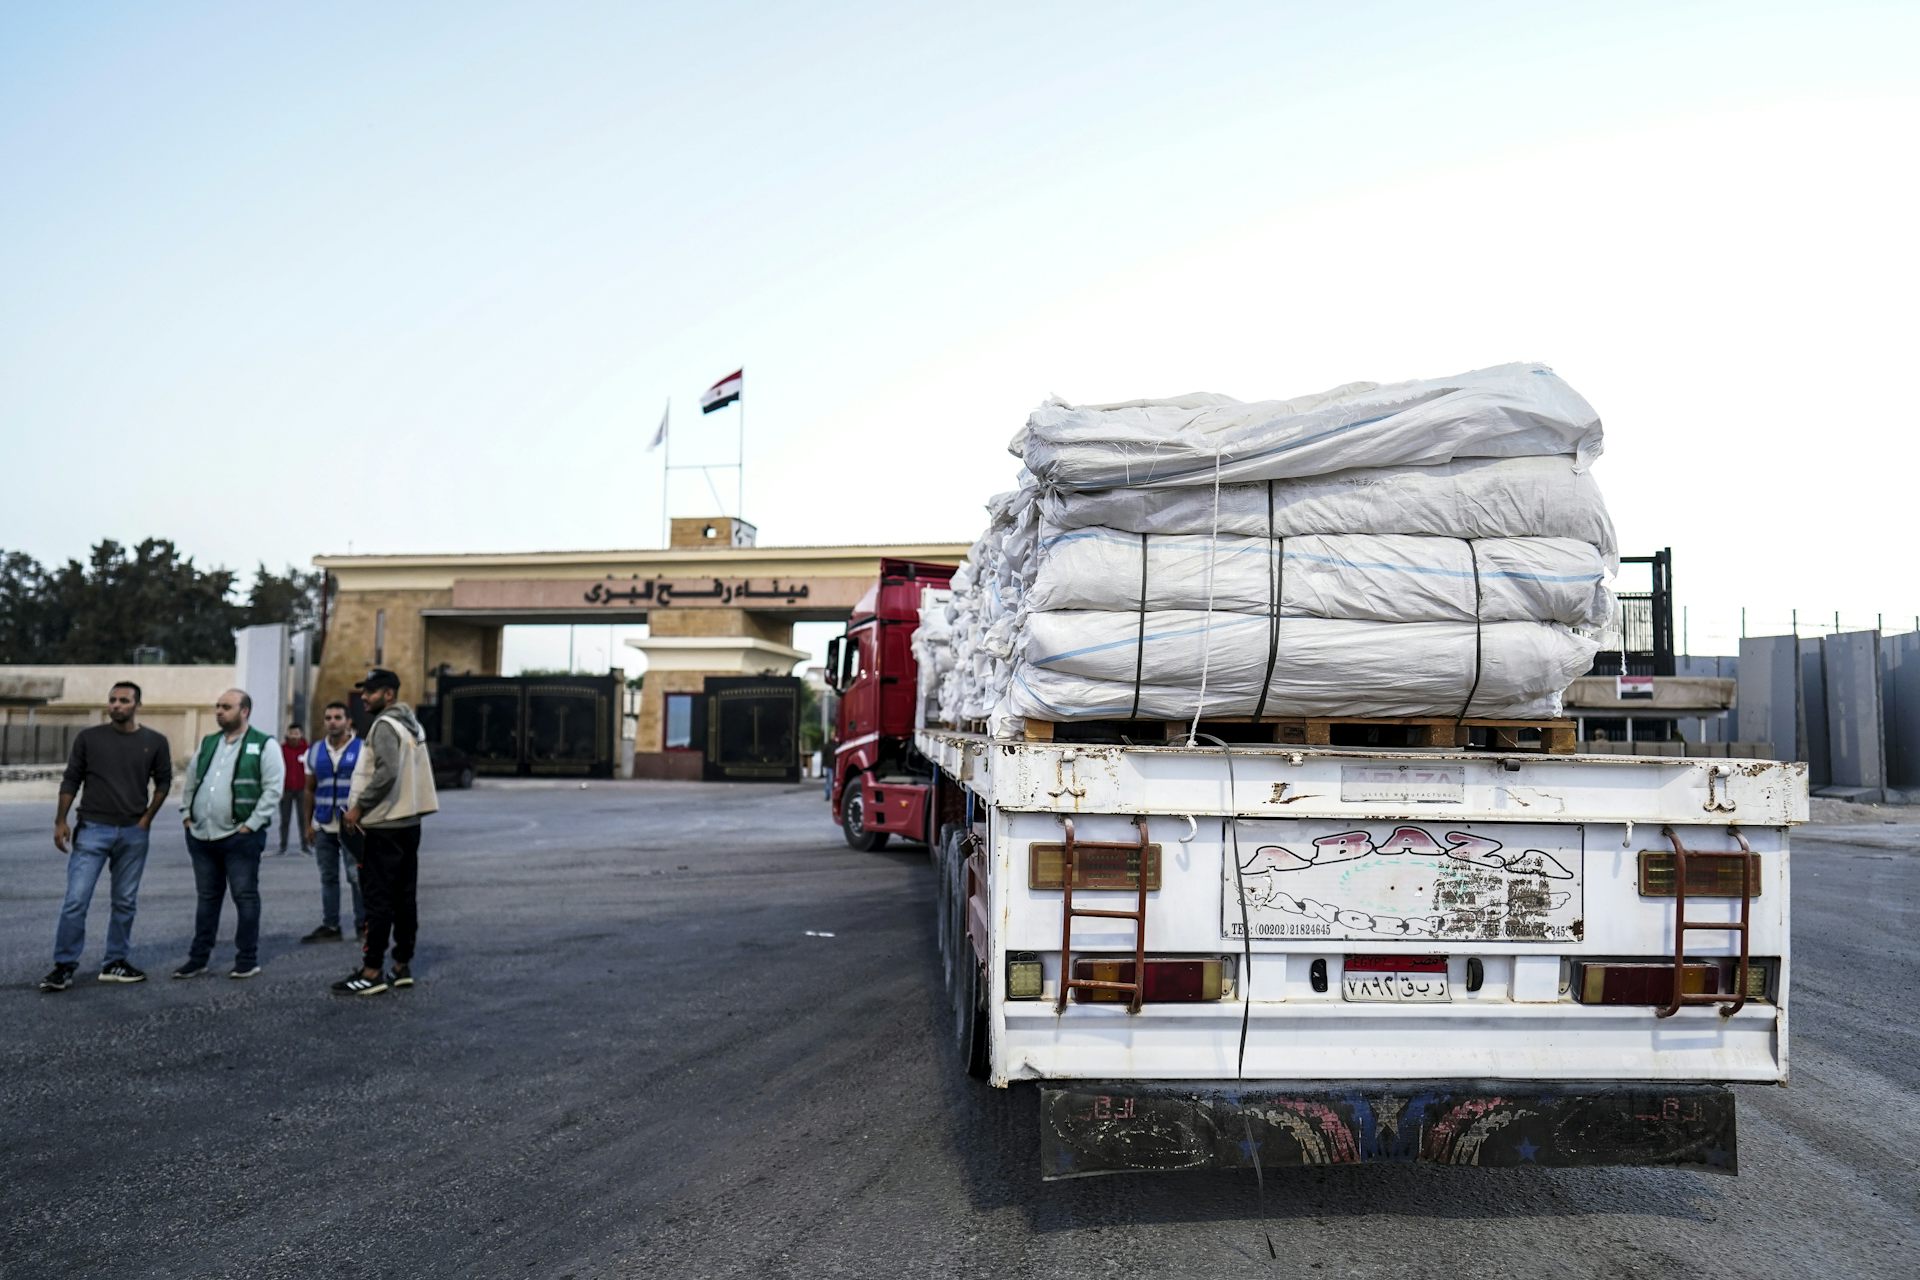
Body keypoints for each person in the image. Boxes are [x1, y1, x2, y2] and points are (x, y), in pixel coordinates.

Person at [39, 681, 173, 992]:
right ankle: (63, 966)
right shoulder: (89, 738)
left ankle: (115, 961)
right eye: (112, 700)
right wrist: (60, 820)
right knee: (76, 900)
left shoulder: (155, 741)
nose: (115, 705)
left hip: (133, 833)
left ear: (137, 704)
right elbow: (72, 778)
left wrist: (146, 819)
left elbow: (164, 782)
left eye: (123, 700)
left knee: (125, 901)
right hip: (92, 830)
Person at [331, 668, 437, 997]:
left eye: (371, 691)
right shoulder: (411, 725)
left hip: (384, 825)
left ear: (388, 695)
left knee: (378, 900)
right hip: (409, 823)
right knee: (405, 898)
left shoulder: (384, 725)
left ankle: (372, 971)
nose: (364, 696)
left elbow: (387, 772)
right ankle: (402, 966)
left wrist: (359, 808)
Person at [175, 688, 284, 980]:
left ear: (244, 711)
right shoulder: (209, 742)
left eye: (226, 706)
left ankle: (246, 959)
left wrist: (251, 824)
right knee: (207, 899)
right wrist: (187, 815)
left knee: (244, 897)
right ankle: (198, 959)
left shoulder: (264, 744)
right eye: (218, 706)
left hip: (240, 837)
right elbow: (192, 780)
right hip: (202, 836)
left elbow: (274, 789)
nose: (219, 711)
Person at [300, 701, 366, 943]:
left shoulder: (363, 749)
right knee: (328, 876)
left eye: (338, 717)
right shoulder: (314, 751)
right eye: (328, 717)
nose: (332, 722)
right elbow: (309, 789)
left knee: (356, 876)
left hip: (352, 825)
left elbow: (371, 787)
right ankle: (331, 926)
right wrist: (307, 824)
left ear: (348, 721)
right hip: (324, 824)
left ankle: (363, 924)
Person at [277, 722, 310, 854]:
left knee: (303, 819)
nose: (294, 736)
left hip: (303, 789)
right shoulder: (282, 750)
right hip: (286, 789)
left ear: (301, 734)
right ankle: (283, 845)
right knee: (285, 819)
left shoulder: (307, 749)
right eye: (291, 733)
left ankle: (305, 845)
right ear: (287, 734)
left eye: (296, 733)